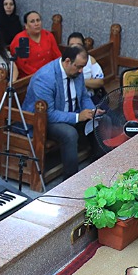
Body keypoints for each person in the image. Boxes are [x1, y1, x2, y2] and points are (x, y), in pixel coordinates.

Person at [25, 44, 97, 178]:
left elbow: (84, 97)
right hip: (45, 122)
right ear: (67, 61)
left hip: (71, 112)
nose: (81, 71)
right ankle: (71, 179)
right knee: (69, 134)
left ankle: (98, 164)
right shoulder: (45, 78)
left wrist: (93, 111)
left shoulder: (76, 71)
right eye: (79, 67)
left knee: (101, 120)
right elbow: (49, 114)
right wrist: (78, 117)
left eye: (83, 67)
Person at [10, 11, 61, 78]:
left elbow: (57, 56)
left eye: (38, 20)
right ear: (26, 25)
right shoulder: (22, 39)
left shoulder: (48, 35)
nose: (36, 24)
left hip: (51, 74)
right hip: (29, 78)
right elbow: (23, 65)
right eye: (32, 21)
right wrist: (41, 75)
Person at [67, 32, 107, 101]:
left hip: (89, 97)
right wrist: (90, 81)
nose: (75, 48)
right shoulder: (64, 61)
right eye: (72, 45)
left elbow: (100, 81)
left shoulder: (90, 60)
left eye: (78, 45)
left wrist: (82, 82)